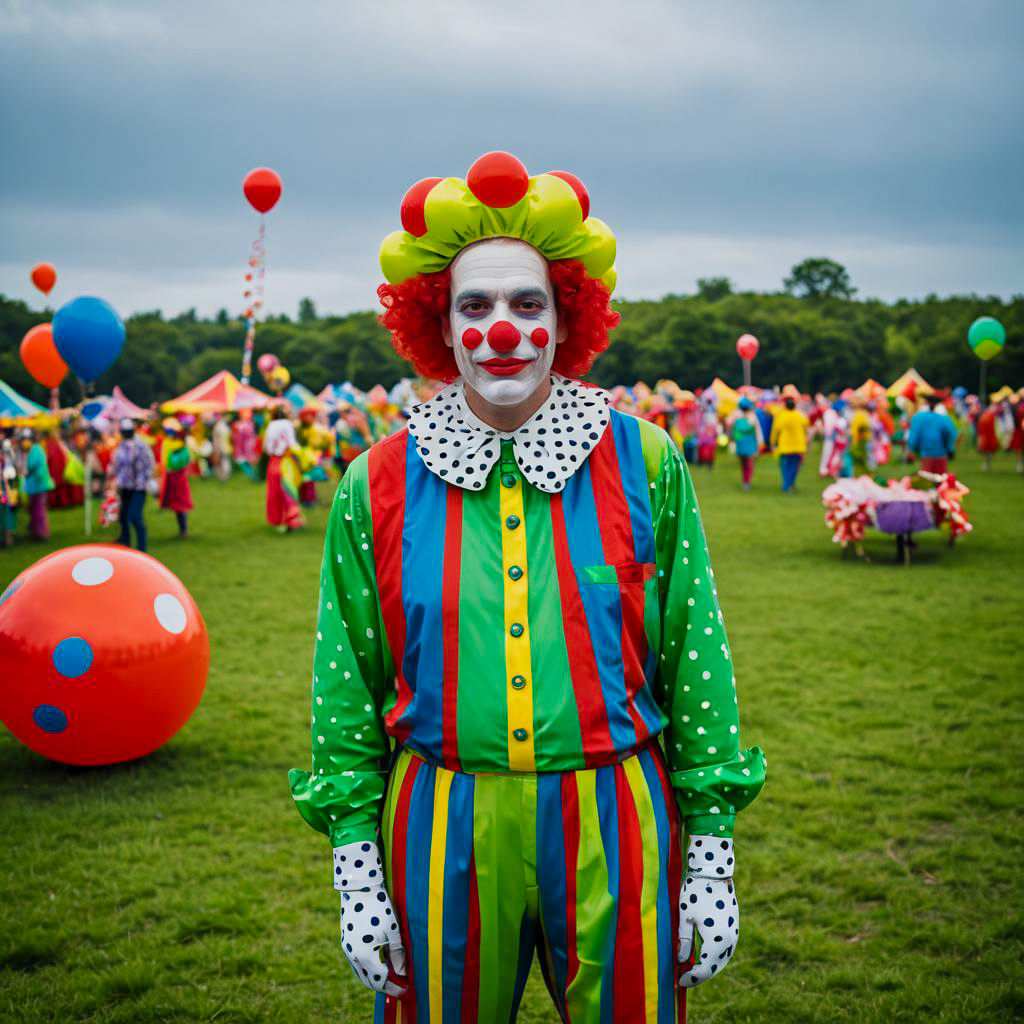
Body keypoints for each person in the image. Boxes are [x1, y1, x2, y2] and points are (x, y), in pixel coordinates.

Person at [288, 154, 765, 1023]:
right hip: (440, 817)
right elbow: (345, 683)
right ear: (437, 321)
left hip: (619, 815)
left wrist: (712, 856)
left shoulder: (647, 460)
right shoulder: (376, 483)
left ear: (564, 318)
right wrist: (356, 867)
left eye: (526, 304)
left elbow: (696, 651)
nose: (500, 329)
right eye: (475, 305)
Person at [112, 418, 155, 551]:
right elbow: (117, 465)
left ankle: (142, 548)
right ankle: (125, 541)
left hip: (138, 487)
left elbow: (149, 464)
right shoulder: (122, 446)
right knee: (124, 515)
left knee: (135, 516)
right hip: (125, 486)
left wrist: (144, 479)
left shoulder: (140, 446)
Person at [263, 406, 304, 532]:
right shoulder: (287, 424)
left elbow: (267, 447)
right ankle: (291, 519)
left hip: (274, 461)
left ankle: (277, 520)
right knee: (288, 490)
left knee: (274, 491)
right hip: (286, 460)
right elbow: (292, 443)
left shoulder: (270, 425)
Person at [158, 418, 192, 537]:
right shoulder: (171, 443)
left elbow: (178, 462)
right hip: (171, 477)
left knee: (180, 505)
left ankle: (184, 530)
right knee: (177, 505)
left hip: (177, 478)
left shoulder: (181, 446)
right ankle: (183, 529)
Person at [907, 394, 956, 475]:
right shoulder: (944, 418)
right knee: (941, 479)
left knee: (926, 479)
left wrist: (911, 450)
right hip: (941, 453)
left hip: (926, 454)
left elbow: (914, 435)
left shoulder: (919, 417)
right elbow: (950, 433)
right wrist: (950, 449)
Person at [20, 428, 54, 540]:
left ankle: (41, 532)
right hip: (34, 485)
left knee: (38, 509)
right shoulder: (31, 450)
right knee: (35, 509)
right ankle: (36, 531)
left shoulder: (36, 450)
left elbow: (32, 466)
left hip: (39, 485)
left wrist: (26, 471)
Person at [770, 396, 809, 492]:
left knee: (785, 467)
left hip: (785, 446)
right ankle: (790, 483)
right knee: (794, 467)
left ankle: (786, 484)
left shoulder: (781, 416)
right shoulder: (799, 416)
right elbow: (806, 424)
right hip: (798, 446)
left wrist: (772, 442)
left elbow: (775, 430)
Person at [731, 396, 763, 490]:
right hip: (750, 444)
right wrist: (760, 442)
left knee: (743, 464)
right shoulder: (752, 416)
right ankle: (747, 481)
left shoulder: (736, 415)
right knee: (749, 464)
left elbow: (729, 424)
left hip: (740, 443)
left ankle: (745, 481)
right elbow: (758, 431)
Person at [1, 435, 19, 547]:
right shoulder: (9, 453)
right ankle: (9, 536)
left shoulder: (7, 455)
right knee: (9, 510)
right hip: (11, 485)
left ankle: (7, 537)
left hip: (6, 486)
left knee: (6, 511)